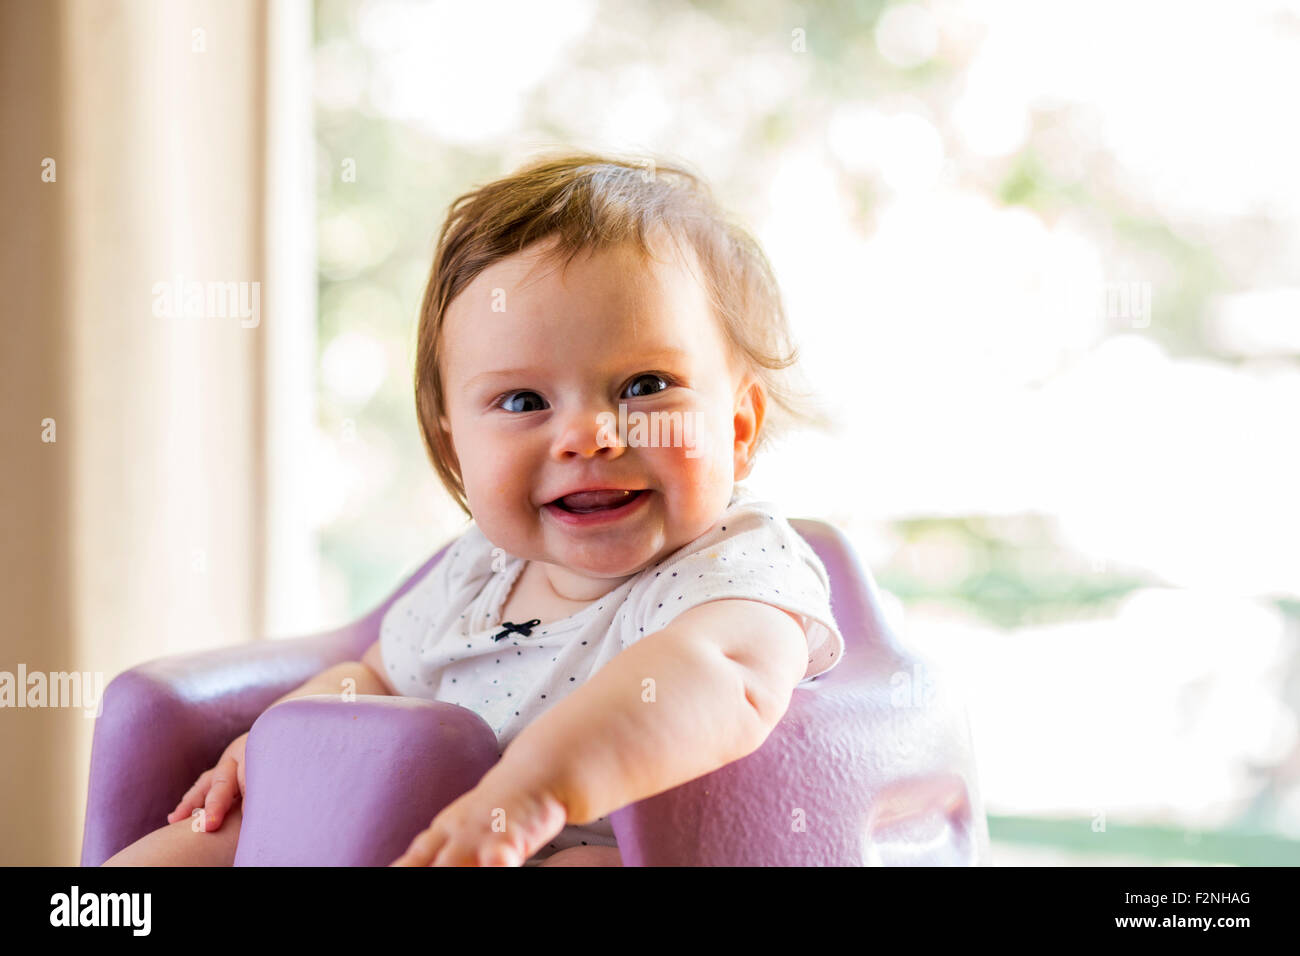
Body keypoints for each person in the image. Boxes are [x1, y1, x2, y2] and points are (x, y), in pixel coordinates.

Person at [104, 151, 845, 867]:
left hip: (604, 844)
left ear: (739, 426)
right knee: (203, 845)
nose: (588, 435)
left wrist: (530, 796)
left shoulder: (740, 566)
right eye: (524, 400)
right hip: (430, 837)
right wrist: (274, 745)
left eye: (646, 386)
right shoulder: (482, 572)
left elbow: (716, 674)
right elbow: (375, 678)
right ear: (454, 446)